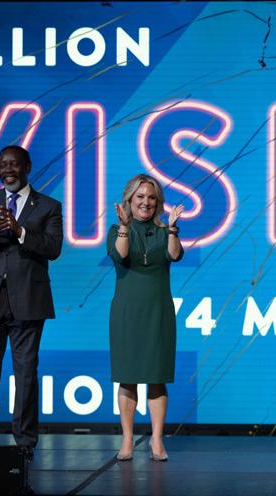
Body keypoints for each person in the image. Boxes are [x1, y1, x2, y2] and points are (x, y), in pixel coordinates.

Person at [0, 145, 62, 455]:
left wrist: (20, 231)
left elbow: (53, 248)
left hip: (28, 299)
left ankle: (25, 444)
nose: (8, 170)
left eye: (14, 164)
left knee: (26, 373)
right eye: (3, 165)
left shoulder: (48, 206)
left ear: (27, 166)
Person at [107, 174, 184, 462]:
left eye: (151, 197)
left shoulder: (166, 231)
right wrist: (124, 227)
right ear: (129, 200)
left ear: (158, 202)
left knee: (157, 377)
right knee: (127, 378)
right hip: (127, 312)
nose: (145, 202)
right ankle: (127, 439)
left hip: (158, 311)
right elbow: (121, 255)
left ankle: (157, 439)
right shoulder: (117, 230)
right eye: (139, 197)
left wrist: (172, 229)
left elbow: (174, 256)